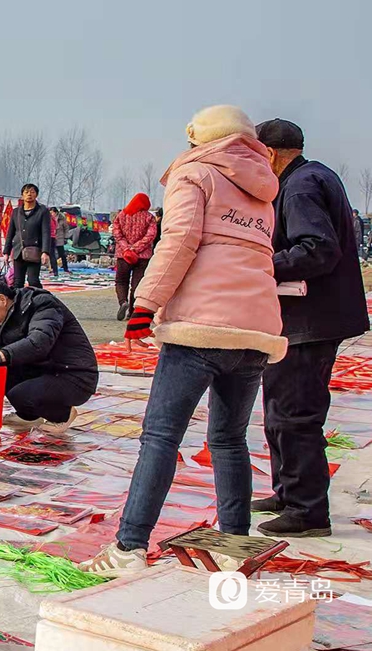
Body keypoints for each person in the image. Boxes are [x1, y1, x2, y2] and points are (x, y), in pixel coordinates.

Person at [80, 105, 287, 577]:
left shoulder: (195, 173)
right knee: (229, 439)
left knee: (159, 436)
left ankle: (129, 547)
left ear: (201, 139)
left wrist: (144, 305)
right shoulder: (262, 185)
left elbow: (179, 241)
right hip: (255, 331)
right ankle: (234, 542)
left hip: (200, 327)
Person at [252, 119, 370, 538]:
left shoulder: (301, 187)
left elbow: (317, 248)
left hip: (309, 320)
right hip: (303, 319)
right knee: (278, 408)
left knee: (294, 413)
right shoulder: (312, 175)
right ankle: (287, 491)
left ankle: (307, 511)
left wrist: (260, 265)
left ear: (269, 154)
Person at [0, 279, 97, 432]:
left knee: (20, 394)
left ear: (2, 300)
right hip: (47, 368)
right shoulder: (6, 317)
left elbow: (39, 343)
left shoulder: (42, 304)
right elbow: (4, 349)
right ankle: (29, 415)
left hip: (74, 375)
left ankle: (62, 415)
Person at [113, 192, 157, 321]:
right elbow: (150, 236)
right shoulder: (149, 217)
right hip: (142, 257)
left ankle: (122, 302)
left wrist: (127, 249)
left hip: (123, 256)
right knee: (137, 284)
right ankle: (131, 312)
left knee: (121, 281)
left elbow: (117, 234)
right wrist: (135, 249)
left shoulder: (120, 216)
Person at [4, 183, 52, 288]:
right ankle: (18, 303)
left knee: (33, 280)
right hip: (18, 251)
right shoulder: (16, 212)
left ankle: (40, 300)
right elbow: (10, 232)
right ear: (22, 195)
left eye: (32, 192)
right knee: (17, 282)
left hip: (34, 251)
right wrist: (6, 252)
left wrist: (45, 252)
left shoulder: (42, 211)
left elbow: (46, 232)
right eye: (26, 192)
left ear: (36, 195)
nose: (29, 194)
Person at [50, 207, 70, 276]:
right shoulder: (50, 219)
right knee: (52, 254)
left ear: (55, 212)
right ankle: (53, 269)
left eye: (52, 213)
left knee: (62, 254)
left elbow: (66, 229)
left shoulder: (62, 219)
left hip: (60, 238)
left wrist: (65, 238)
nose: (51, 214)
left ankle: (65, 268)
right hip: (52, 238)